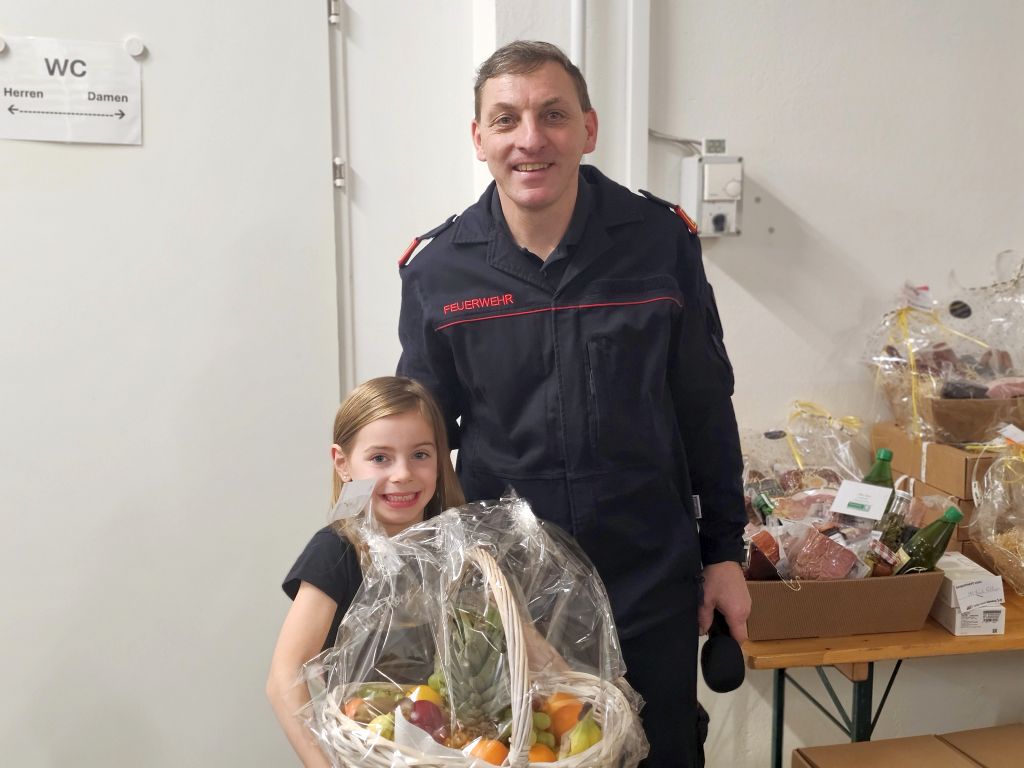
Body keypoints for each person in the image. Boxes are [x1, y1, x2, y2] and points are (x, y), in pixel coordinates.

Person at [396, 40, 750, 767]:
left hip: (647, 577)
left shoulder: (660, 242)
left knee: (659, 754)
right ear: (479, 139)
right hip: (508, 594)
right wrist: (416, 567)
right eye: (506, 119)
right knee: (523, 756)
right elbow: (421, 440)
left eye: (553, 115)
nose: (531, 139)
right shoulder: (439, 271)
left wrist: (724, 552)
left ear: (588, 129)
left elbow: (705, 408)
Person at [266, 376, 464, 767]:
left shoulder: (456, 546)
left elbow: (519, 642)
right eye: (380, 458)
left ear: (440, 459)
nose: (403, 473)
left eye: (420, 454)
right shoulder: (336, 550)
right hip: (368, 752)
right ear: (343, 464)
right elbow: (283, 678)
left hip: (458, 749)